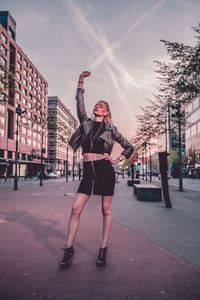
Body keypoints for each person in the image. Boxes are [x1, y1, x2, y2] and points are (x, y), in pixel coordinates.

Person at [60, 71, 134, 269]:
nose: (97, 106)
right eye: (97, 104)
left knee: (105, 210)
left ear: (106, 112)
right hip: (88, 171)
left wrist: (117, 158)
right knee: (75, 209)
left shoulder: (112, 130)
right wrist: (81, 81)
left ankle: (103, 248)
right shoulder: (86, 123)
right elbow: (80, 103)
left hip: (104, 170)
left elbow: (129, 146)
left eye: (101, 106)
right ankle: (68, 249)